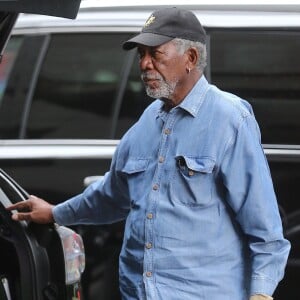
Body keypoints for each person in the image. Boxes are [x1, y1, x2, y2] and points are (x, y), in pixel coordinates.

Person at [7, 7, 290, 300]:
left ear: (190, 58)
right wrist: (55, 212)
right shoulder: (146, 123)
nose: (144, 64)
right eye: (141, 54)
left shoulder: (230, 119)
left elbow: (265, 230)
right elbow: (112, 195)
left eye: (155, 54)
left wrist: (260, 294)